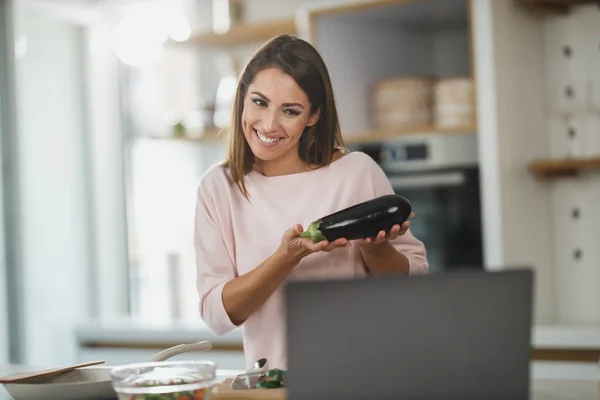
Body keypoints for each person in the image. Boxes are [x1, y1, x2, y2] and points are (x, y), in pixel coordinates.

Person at [194, 34, 428, 371]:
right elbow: (217, 316)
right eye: (259, 102)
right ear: (242, 99)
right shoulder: (219, 187)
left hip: (367, 376)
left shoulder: (356, 172)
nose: (269, 125)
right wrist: (286, 259)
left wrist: (377, 251)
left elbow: (414, 282)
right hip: (275, 384)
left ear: (314, 115)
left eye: (290, 111)